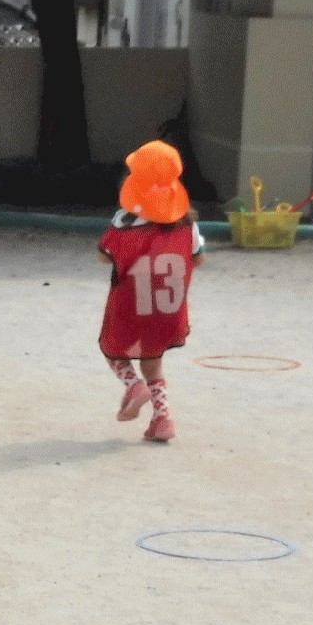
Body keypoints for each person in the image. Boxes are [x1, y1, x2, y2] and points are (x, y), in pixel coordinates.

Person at [97, 139, 205, 443]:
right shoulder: (188, 223)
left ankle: (132, 385)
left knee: (113, 351)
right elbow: (199, 257)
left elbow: (105, 254)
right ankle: (162, 419)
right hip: (169, 309)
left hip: (131, 304)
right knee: (153, 359)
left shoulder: (125, 220)